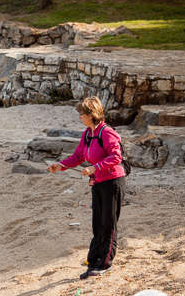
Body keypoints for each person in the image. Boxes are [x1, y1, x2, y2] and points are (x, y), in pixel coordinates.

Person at [47, 96, 126, 280]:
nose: (80, 117)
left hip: (113, 182)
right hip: (98, 182)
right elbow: (77, 156)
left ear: (92, 114)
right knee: (97, 224)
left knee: (108, 224)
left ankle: (105, 264)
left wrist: (94, 167)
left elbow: (117, 157)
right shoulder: (88, 134)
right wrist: (60, 165)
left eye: (82, 114)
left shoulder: (107, 133)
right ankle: (94, 262)